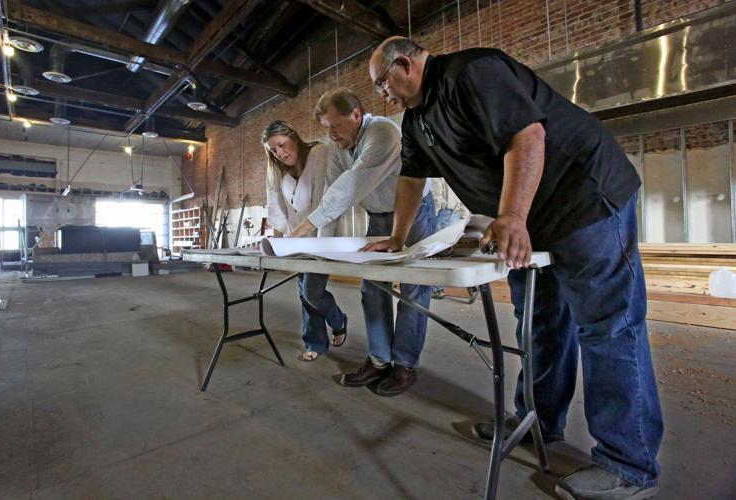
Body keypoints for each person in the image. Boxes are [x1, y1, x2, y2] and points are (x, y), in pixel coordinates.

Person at [365, 37, 663, 499]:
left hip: (582, 198)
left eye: (382, 84)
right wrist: (400, 238)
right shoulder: (418, 119)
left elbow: (527, 136)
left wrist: (511, 218)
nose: (382, 95)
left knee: (608, 326)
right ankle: (538, 421)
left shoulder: (473, 72)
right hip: (529, 220)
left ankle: (629, 463)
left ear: (404, 63)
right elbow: (411, 177)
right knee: (538, 323)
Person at [289, 88, 436, 396]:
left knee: (414, 289)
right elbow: (334, 196)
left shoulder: (383, 132)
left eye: (335, 125)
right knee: (372, 289)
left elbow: (352, 184)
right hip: (379, 217)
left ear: (356, 115)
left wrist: (305, 226)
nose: (330, 133)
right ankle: (380, 360)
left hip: (414, 213)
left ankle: (405, 365)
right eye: (325, 128)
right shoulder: (337, 146)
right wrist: (320, 252)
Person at [262, 120, 347, 362]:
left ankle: (338, 319)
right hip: (294, 240)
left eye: (281, 145)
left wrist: (319, 243)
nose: (279, 153)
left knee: (312, 291)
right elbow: (276, 206)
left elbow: (325, 201)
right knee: (303, 293)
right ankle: (315, 343)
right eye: (273, 150)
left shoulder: (320, 154)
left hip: (322, 238)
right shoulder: (276, 170)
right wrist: (278, 243)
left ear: (293, 136)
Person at [429, 178, 468, 299]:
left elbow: (436, 193)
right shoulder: (456, 174)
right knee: (446, 254)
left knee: (435, 253)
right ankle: (438, 287)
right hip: (455, 214)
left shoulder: (436, 173)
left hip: (442, 213)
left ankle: (436, 288)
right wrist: (464, 216)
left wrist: (431, 215)